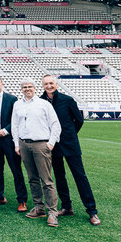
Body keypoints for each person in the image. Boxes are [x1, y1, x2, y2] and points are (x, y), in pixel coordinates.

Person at [41, 75, 100, 226]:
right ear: (42, 85)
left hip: (70, 144)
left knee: (80, 176)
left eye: (51, 83)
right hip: (52, 145)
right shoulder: (40, 101)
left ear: (56, 84)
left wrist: (69, 135)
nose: (49, 86)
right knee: (59, 177)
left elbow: (79, 120)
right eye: (46, 84)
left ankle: (92, 211)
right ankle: (66, 206)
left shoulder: (67, 100)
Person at [12, 78, 62, 227]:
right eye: (24, 87)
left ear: (34, 88)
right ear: (21, 89)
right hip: (24, 144)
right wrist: (17, 145)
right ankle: (39, 207)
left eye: (30, 87)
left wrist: (51, 143)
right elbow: (15, 125)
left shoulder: (44, 104)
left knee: (46, 180)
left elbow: (55, 124)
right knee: (32, 178)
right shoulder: (17, 105)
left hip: (41, 144)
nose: (27, 89)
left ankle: (52, 212)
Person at [0, 75, 28, 212]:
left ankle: (22, 200)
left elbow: (16, 119)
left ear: (2, 84)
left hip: (9, 140)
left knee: (16, 170)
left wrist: (5, 130)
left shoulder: (12, 99)